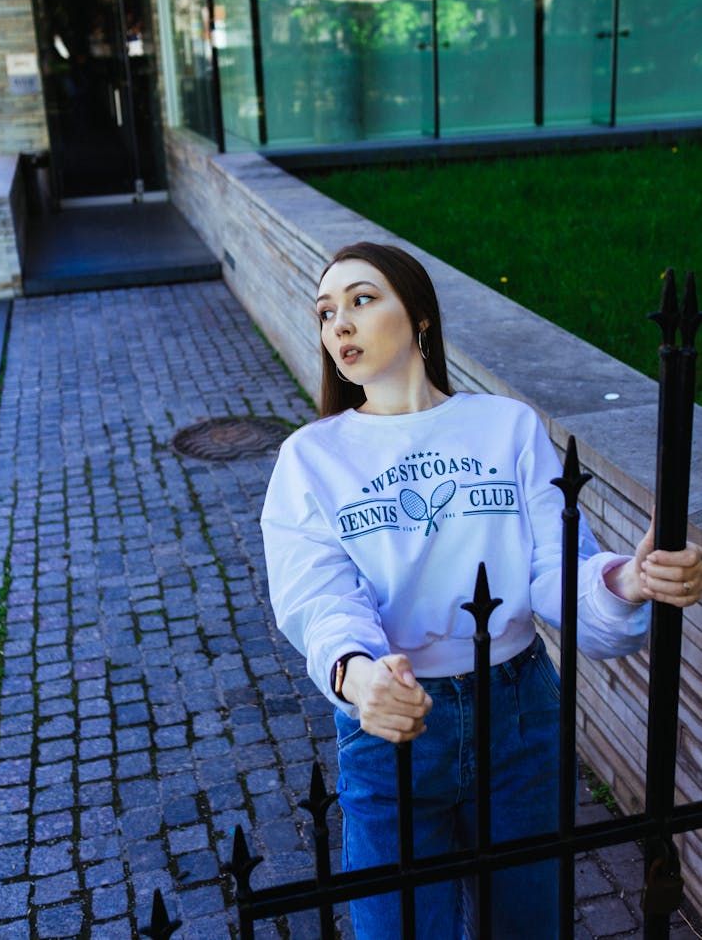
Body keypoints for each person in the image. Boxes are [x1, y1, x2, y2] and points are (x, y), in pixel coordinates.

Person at [261, 241, 702, 939]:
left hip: (520, 714)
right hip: (395, 727)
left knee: (530, 927)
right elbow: (316, 592)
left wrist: (627, 578)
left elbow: (553, 571)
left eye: (361, 299)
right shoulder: (311, 456)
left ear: (421, 316)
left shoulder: (506, 427)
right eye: (325, 311)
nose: (338, 323)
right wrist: (358, 672)